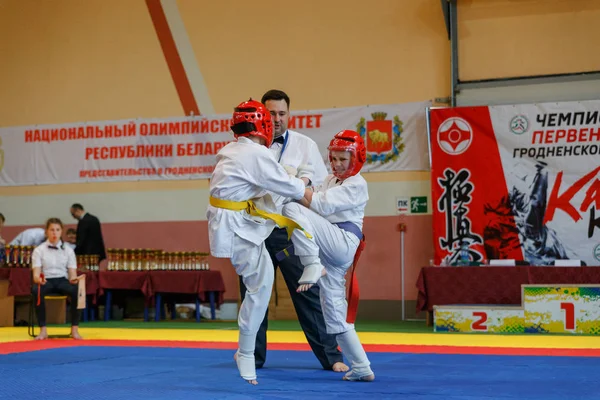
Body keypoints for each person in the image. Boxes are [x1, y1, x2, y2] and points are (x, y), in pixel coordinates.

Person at [238, 89, 347, 372]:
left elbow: (321, 187)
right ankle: (252, 357)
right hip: (253, 228)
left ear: (289, 114)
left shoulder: (304, 145)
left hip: (288, 229)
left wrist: (303, 180)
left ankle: (331, 357)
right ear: (260, 115)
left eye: (281, 113)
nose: (275, 119)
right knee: (253, 293)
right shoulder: (246, 146)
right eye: (270, 113)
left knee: (308, 292)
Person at [207, 98, 312, 385]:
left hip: (236, 223)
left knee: (260, 284)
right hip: (238, 229)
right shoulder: (256, 154)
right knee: (260, 287)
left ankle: (246, 352)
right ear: (262, 125)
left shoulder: (231, 149)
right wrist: (304, 181)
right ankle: (246, 353)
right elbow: (290, 187)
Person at [282, 130, 375, 382]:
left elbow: (318, 205)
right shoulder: (331, 181)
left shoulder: (357, 184)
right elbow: (311, 195)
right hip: (331, 249)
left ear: (357, 158)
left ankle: (310, 263)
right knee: (333, 311)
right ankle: (362, 366)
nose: (336, 164)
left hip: (342, 242)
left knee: (290, 206)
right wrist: (296, 181)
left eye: (343, 159)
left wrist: (288, 184)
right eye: (333, 159)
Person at [31, 218, 82, 340]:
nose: (54, 233)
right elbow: (36, 274)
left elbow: (72, 273)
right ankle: (43, 330)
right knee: (36, 290)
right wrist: (39, 280)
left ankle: (74, 329)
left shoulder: (69, 250)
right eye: (52, 230)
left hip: (62, 280)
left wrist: (75, 279)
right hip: (46, 280)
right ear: (46, 232)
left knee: (78, 291)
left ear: (61, 232)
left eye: (57, 230)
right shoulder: (39, 250)